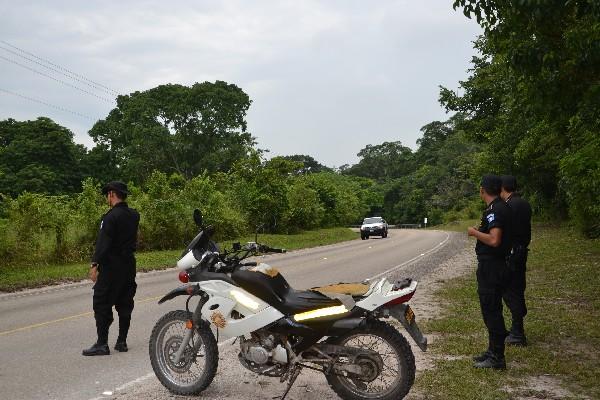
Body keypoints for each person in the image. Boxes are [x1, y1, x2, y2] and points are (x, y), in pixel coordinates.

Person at [83, 181, 140, 356]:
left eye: (108, 194)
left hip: (111, 266)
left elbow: (103, 243)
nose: (107, 197)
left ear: (112, 194)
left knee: (101, 302)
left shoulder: (109, 217)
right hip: (129, 264)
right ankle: (122, 342)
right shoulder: (134, 215)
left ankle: (102, 344)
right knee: (125, 302)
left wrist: (94, 264)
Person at [467, 175, 513, 369]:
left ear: (482, 190)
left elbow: (494, 240)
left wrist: (474, 232)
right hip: (498, 264)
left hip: (492, 267)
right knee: (492, 309)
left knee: (491, 310)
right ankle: (492, 350)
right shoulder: (503, 206)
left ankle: (497, 358)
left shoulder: (495, 210)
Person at [500, 175, 532, 346]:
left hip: (512, 252)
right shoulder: (524, 203)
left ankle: (518, 331)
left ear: (503, 188)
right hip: (521, 250)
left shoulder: (508, 206)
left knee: (509, 289)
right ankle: (517, 327)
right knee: (517, 287)